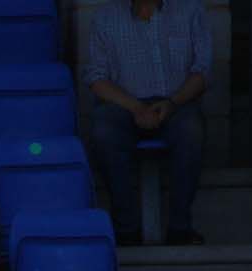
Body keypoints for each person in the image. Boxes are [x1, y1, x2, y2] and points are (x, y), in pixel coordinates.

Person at [82, 0, 211, 247]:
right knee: (103, 130)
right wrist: (136, 107)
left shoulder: (191, 11)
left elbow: (203, 72)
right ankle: (126, 228)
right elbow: (96, 78)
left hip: (177, 102)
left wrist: (172, 103)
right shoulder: (106, 17)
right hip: (124, 105)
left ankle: (180, 228)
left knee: (191, 129)